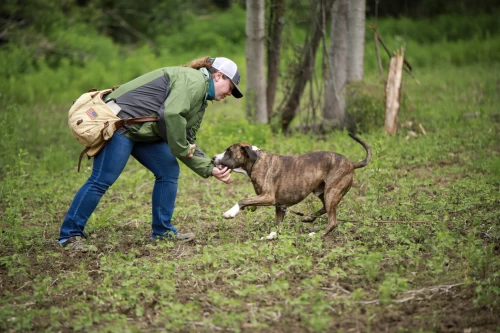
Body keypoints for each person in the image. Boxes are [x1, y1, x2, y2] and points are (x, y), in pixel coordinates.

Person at [59, 56, 243, 251]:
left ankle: (162, 232)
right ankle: (69, 235)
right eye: (231, 87)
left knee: (168, 171)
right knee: (102, 179)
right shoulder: (194, 81)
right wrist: (181, 149)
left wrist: (210, 168)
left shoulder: (200, 98)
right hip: (121, 126)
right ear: (218, 76)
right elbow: (171, 114)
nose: (230, 93)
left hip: (141, 131)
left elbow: (185, 140)